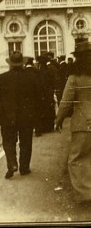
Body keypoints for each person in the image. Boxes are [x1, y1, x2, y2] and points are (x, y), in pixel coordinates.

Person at [0, 51, 42, 179]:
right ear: (22, 63)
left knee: (8, 141)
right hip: (26, 115)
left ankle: (12, 164)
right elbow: (39, 94)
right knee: (26, 141)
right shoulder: (31, 77)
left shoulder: (2, 78)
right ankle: (24, 167)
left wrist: (1, 101)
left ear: (11, 64)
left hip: (7, 115)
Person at [55, 41, 91, 204]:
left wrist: (58, 119)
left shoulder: (74, 77)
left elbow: (66, 102)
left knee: (76, 158)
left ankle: (86, 193)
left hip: (82, 123)